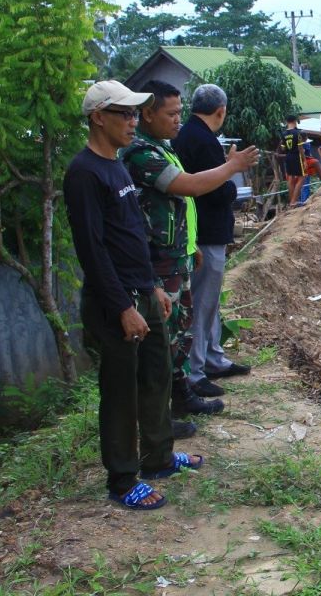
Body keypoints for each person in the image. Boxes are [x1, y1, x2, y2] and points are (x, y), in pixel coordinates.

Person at [63, 80, 203, 511]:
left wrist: (153, 287)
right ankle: (123, 479)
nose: (131, 121)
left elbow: (133, 235)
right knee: (121, 391)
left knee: (156, 375)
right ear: (97, 117)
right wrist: (124, 306)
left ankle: (158, 458)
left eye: (133, 113)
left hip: (143, 291)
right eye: (122, 114)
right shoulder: (84, 173)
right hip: (116, 301)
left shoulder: (117, 166)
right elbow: (94, 249)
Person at [122, 80, 258, 435]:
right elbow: (191, 186)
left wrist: (189, 243)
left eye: (180, 112)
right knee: (167, 334)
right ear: (147, 113)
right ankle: (164, 411)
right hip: (162, 260)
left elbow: (177, 204)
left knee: (181, 326)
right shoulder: (142, 153)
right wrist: (232, 168)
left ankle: (182, 392)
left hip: (181, 249)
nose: (177, 119)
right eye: (171, 113)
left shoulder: (165, 145)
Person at [172, 84, 253, 401]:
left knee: (209, 303)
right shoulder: (203, 141)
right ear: (220, 111)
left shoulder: (189, 136)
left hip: (202, 232)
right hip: (205, 234)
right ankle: (196, 371)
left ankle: (213, 358)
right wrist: (233, 184)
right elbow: (216, 189)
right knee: (202, 303)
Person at [276, 114, 306, 207]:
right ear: (294, 121)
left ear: (286, 122)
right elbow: (300, 148)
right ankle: (294, 201)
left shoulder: (283, 134)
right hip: (296, 156)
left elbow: (283, 148)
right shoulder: (298, 133)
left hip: (288, 156)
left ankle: (291, 201)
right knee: (302, 177)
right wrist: (304, 160)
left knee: (290, 178)